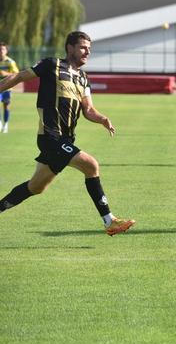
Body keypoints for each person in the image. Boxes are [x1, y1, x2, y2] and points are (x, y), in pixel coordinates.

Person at [0, 31, 135, 236]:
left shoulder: (83, 78)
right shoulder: (51, 65)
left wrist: (102, 119)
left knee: (36, 187)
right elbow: (19, 76)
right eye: (82, 47)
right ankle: (110, 221)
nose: (87, 52)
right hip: (50, 137)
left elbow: (88, 109)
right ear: (70, 47)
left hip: (65, 139)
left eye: (89, 48)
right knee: (91, 165)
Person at [0, 42, 20, 133]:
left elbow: (17, 75)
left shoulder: (10, 62)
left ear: (6, 51)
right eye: (0, 49)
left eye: (3, 49)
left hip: (7, 88)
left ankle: (6, 124)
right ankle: (0, 123)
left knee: (6, 106)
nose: (1, 51)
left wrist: (5, 74)